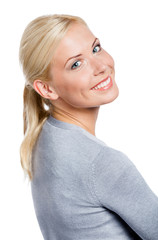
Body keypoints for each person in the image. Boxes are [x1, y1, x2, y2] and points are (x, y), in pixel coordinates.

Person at [19, 14, 158, 240]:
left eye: (95, 49)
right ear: (46, 89)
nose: (101, 66)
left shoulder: (42, 139)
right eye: (76, 64)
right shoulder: (102, 163)